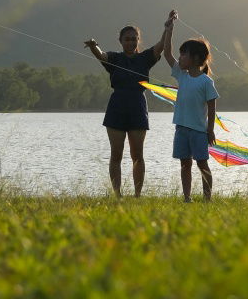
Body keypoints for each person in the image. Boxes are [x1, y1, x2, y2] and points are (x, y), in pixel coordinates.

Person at [83, 10, 177, 197]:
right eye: (127, 39)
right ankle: (117, 195)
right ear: (120, 41)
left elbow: (160, 47)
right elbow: (101, 56)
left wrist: (168, 28)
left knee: (137, 156)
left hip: (137, 108)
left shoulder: (145, 58)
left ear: (138, 41)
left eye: (134, 39)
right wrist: (94, 46)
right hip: (116, 108)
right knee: (116, 155)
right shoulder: (115, 58)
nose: (131, 42)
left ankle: (137, 195)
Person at [162, 11, 218, 202]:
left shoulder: (205, 82)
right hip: (181, 129)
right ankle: (187, 198)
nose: (179, 57)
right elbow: (166, 53)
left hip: (199, 132)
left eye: (183, 54)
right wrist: (169, 29)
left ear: (194, 58)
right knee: (184, 165)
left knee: (202, 164)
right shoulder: (181, 75)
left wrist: (210, 130)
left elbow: (212, 108)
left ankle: (207, 198)